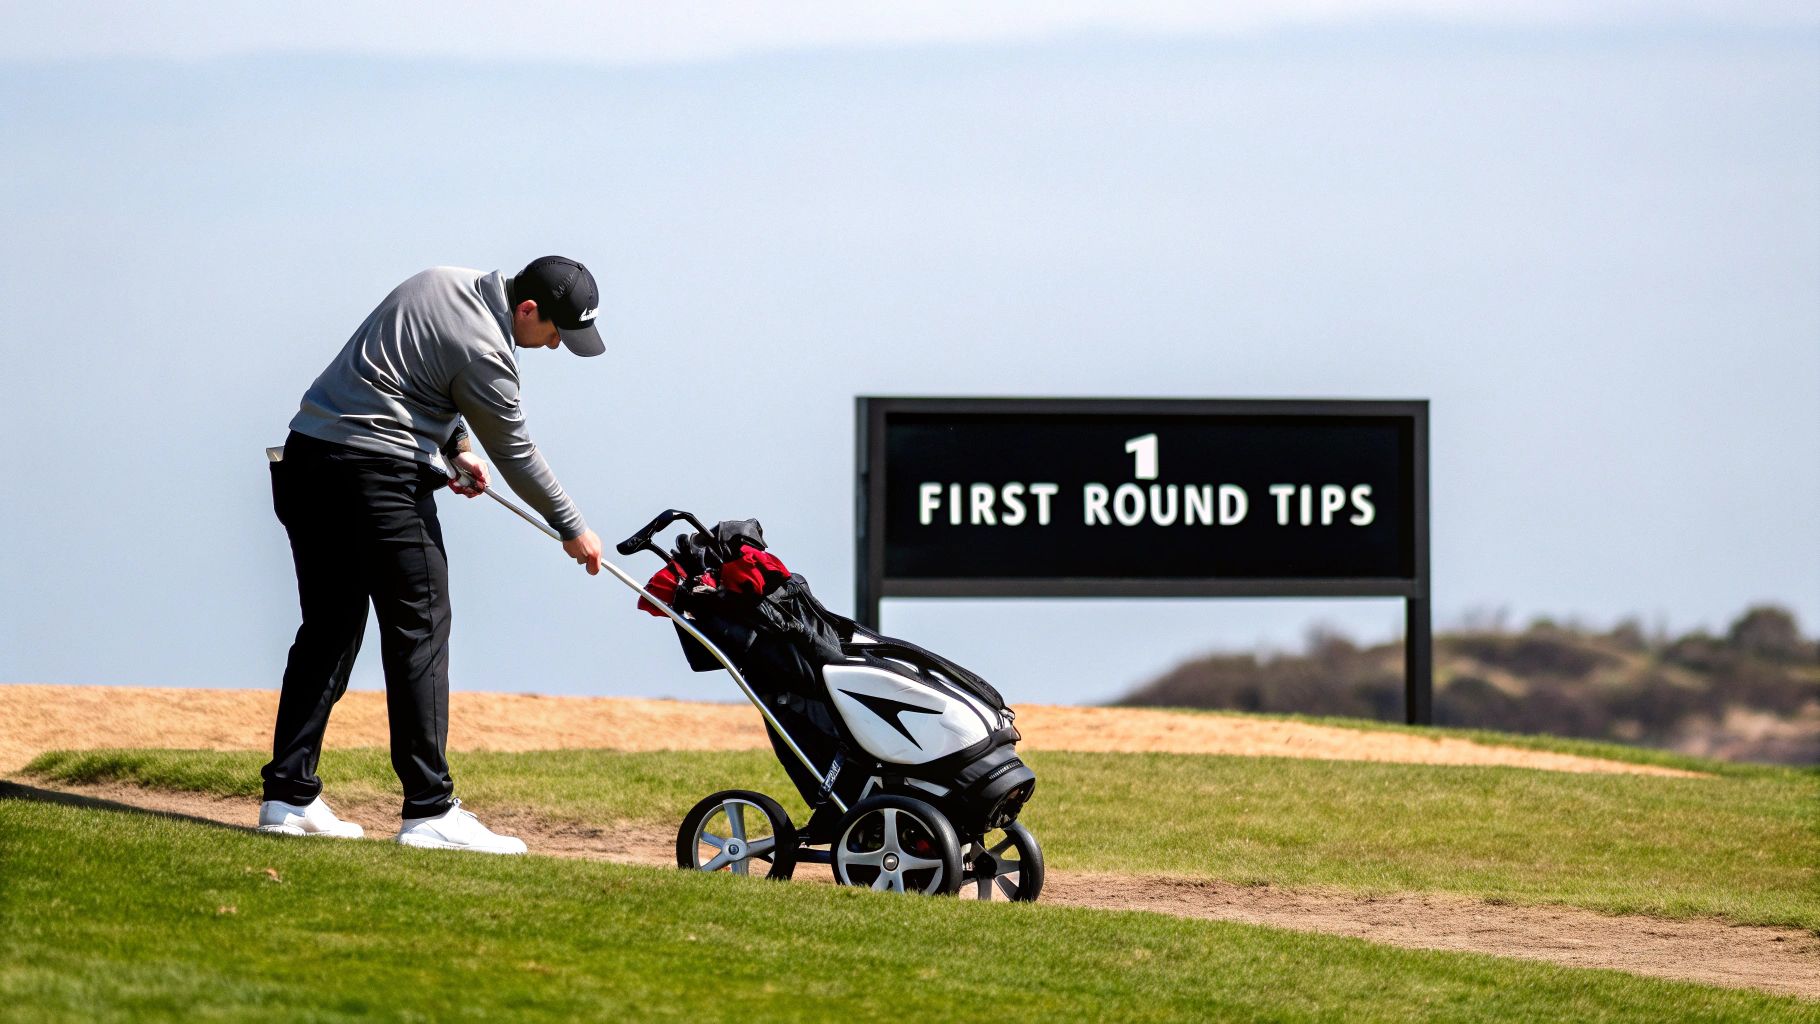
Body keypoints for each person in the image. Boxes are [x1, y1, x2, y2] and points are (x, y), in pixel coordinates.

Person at [257, 257, 606, 854]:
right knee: (419, 627)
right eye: (553, 334)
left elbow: (410, 373)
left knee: (330, 629)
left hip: (307, 463)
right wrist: (573, 527)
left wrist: (456, 445)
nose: (552, 347)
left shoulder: (440, 279)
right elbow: (517, 453)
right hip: (375, 479)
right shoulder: (488, 353)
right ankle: (429, 810)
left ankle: (286, 797)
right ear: (527, 310)